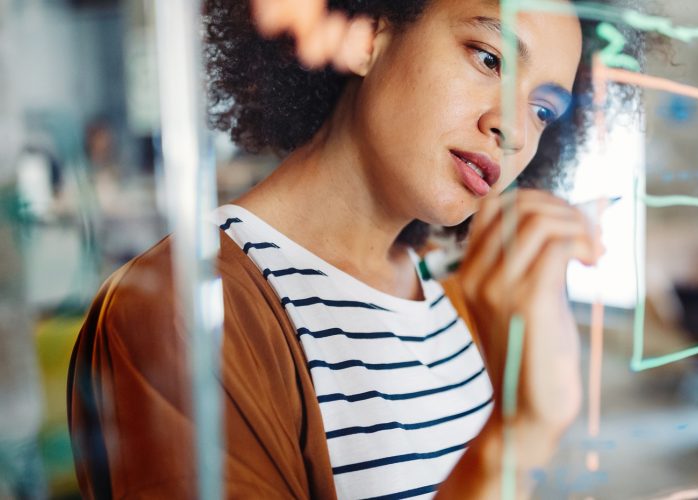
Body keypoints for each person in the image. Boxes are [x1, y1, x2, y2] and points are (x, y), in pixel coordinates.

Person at [67, 0, 648, 497]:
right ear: (369, 34)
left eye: (543, 110)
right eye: (489, 58)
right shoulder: (183, 309)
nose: (514, 130)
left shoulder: (465, 305)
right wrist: (516, 438)